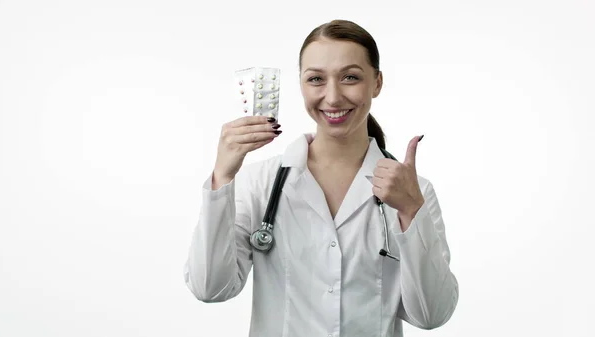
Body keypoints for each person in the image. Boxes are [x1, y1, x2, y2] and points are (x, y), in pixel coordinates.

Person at [183, 19, 459, 337]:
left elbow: (431, 315)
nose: (332, 97)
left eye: (350, 78)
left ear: (377, 83)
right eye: (316, 79)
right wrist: (222, 176)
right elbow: (210, 288)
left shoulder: (415, 192)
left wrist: (411, 212)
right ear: (301, 85)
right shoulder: (260, 182)